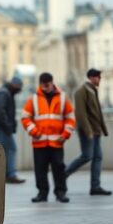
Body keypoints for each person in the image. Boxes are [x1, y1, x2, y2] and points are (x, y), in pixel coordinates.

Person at [21, 72, 75, 203]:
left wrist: (65, 135)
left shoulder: (62, 98)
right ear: (40, 84)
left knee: (59, 168)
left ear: (52, 83)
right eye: (43, 85)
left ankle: (61, 192)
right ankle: (42, 193)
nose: (46, 88)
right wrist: (34, 131)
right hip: (39, 142)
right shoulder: (33, 99)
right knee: (40, 169)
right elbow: (25, 117)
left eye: (48, 85)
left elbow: (70, 118)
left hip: (57, 141)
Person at [64, 68, 112, 196]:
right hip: (88, 131)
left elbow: (97, 113)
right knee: (87, 156)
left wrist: (102, 129)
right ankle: (63, 174)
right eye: (98, 77)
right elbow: (80, 113)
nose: (99, 79)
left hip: (96, 131)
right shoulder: (81, 92)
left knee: (97, 157)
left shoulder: (92, 91)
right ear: (91, 77)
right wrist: (88, 130)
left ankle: (95, 186)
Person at [0, 76, 25, 184]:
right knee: (11, 149)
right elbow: (1, 111)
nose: (19, 90)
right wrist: (8, 126)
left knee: (0, 151)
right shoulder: (4, 93)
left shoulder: (4, 92)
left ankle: (1, 175)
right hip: (3, 128)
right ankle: (11, 174)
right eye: (19, 87)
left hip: (0, 127)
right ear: (14, 85)